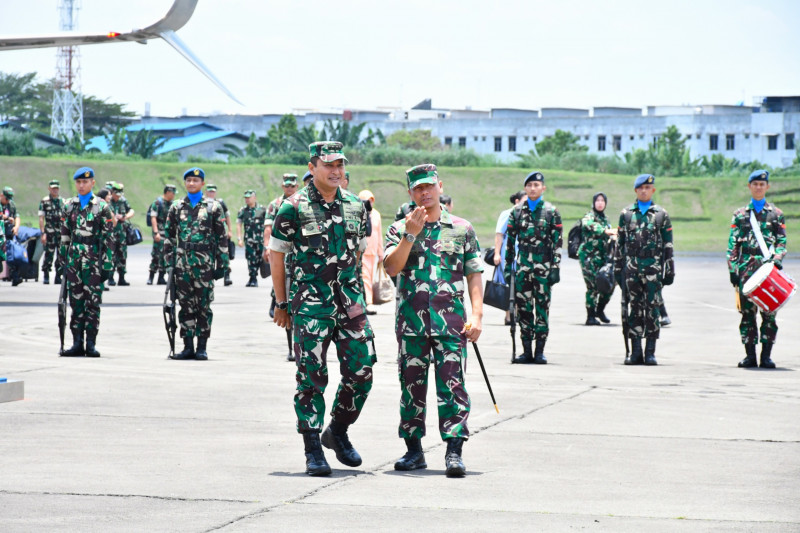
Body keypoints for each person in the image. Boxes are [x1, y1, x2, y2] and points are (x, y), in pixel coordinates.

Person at [269, 141, 374, 477]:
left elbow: (357, 253)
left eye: (340, 165)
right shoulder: (292, 207)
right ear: (312, 167)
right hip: (311, 305)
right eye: (328, 165)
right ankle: (313, 448)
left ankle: (338, 430)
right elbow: (277, 255)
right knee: (311, 378)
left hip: (350, 303)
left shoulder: (357, 207)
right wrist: (282, 303)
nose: (336, 171)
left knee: (362, 371)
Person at [383, 164, 483, 478]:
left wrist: (478, 314)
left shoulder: (461, 228)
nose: (425, 193)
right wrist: (410, 235)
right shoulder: (399, 228)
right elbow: (391, 268)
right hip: (411, 323)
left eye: (429, 186)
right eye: (418, 189)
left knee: (453, 386)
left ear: (440, 186)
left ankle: (454, 451)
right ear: (410, 193)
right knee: (411, 386)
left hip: (451, 323)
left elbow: (473, 273)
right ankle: (414, 451)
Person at [163, 168, 230, 361]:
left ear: (202, 183)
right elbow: (169, 236)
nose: (191, 183)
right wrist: (169, 262)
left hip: (205, 265)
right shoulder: (176, 207)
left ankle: (202, 347)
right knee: (185, 306)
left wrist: (222, 265)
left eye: (195, 180)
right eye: (189, 180)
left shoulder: (213, 207)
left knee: (203, 306)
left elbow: (222, 237)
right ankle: (187, 346)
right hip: (182, 265)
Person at [727, 169, 786, 369]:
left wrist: (777, 259)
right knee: (747, 315)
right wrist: (733, 269)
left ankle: (767, 356)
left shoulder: (776, 214)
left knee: (769, 315)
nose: (759, 187)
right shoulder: (740, 215)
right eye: (755, 184)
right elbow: (732, 245)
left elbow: (781, 242)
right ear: (749, 186)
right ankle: (750, 356)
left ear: (767, 187)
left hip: (769, 272)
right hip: (746, 271)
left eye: (762, 184)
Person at [613, 174, 674, 366]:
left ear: (653, 190)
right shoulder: (626, 214)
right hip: (631, 270)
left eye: (648, 188)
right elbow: (620, 244)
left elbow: (668, 244)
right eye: (641, 188)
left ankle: (650, 352)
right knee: (634, 309)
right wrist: (617, 267)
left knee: (653, 309)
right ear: (636, 191)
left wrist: (669, 268)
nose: (644, 191)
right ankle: (636, 351)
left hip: (653, 270)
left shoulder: (661, 214)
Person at [504, 171, 563, 364]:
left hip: (544, 268)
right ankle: (526, 350)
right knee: (524, 309)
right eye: (529, 185)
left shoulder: (551, 211)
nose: (532, 188)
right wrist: (507, 267)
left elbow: (557, 242)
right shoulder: (517, 211)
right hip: (523, 268)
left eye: (536, 185)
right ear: (525, 188)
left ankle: (540, 351)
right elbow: (510, 242)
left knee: (542, 309)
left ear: (543, 188)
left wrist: (555, 267)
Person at [59, 167, 114, 357]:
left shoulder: (102, 206)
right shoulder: (69, 205)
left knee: (93, 302)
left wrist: (107, 265)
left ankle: (90, 343)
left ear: (93, 183)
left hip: (93, 260)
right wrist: (62, 261)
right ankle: (76, 343)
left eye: (85, 182)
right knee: (76, 301)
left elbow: (109, 238)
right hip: (74, 260)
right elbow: (65, 236)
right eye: (78, 182)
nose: (81, 185)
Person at [263, 173, 299, 320]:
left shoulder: (301, 203)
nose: (289, 188)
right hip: (280, 247)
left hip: (296, 248)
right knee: (279, 275)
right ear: (282, 186)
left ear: (297, 186)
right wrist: (267, 247)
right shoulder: (275, 204)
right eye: (286, 185)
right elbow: (268, 227)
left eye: (292, 185)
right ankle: (277, 303)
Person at [579, 192, 617, 325]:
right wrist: (604, 231)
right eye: (598, 200)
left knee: (609, 284)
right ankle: (590, 316)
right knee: (593, 286)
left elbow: (609, 235)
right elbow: (587, 224)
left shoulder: (606, 219)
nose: (600, 203)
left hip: (603, 257)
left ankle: (600, 310)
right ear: (594, 202)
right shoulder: (589, 216)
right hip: (588, 257)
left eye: (602, 201)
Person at [493, 190, 525, 324]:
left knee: (520, 284)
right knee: (508, 284)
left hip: (522, 254)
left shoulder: (526, 215)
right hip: (508, 254)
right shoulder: (507, 214)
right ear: (517, 201)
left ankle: (516, 313)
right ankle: (508, 315)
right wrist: (497, 253)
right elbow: (499, 234)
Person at [358, 189, 384, 315]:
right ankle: (369, 302)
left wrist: (380, 252)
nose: (370, 203)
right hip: (361, 250)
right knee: (365, 277)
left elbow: (379, 234)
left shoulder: (376, 214)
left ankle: (367, 300)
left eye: (371, 200)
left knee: (370, 277)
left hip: (372, 251)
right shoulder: (359, 213)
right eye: (367, 200)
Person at [147, 184, 177, 285]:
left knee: (166, 256)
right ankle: (151, 276)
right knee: (156, 255)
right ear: (168, 192)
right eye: (173, 193)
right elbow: (153, 218)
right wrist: (156, 232)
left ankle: (161, 277)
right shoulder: (157, 203)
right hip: (159, 233)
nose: (174, 195)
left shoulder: (173, 204)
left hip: (168, 234)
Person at [39, 180, 67, 285]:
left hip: (60, 233)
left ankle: (58, 275)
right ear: (49, 188)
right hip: (49, 232)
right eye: (53, 188)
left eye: (57, 188)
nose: (55, 190)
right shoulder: (44, 201)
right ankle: (46, 273)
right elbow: (41, 218)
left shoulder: (63, 201)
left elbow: (66, 217)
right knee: (49, 254)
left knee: (61, 255)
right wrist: (43, 233)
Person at [237, 189, 267, 287]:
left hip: (260, 240)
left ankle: (254, 276)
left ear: (254, 198)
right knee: (250, 258)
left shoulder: (262, 210)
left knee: (258, 258)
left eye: (249, 197)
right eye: (246, 198)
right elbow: (239, 225)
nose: (247, 199)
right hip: (249, 240)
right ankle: (253, 277)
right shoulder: (242, 210)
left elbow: (268, 225)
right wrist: (239, 239)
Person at [206, 183, 233, 286]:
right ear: (206, 191)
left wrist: (230, 230)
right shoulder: (203, 202)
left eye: (213, 191)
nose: (211, 193)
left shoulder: (220, 202)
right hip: (209, 235)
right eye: (209, 191)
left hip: (221, 233)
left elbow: (227, 217)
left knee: (224, 255)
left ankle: (226, 276)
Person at [108, 183, 134, 286]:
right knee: (111, 256)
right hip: (111, 233)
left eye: (120, 194)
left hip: (122, 233)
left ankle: (122, 278)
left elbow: (132, 210)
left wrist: (125, 217)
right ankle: (110, 278)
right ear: (112, 192)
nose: (118, 196)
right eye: (116, 194)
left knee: (122, 255)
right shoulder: (107, 201)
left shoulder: (123, 201)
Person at [1, 186, 21, 285]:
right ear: (1, 195)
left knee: (12, 254)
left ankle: (15, 276)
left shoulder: (11, 204)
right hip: (1, 233)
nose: (8, 200)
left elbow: (17, 216)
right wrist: (8, 218)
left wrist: (16, 227)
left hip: (8, 233)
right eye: (7, 198)